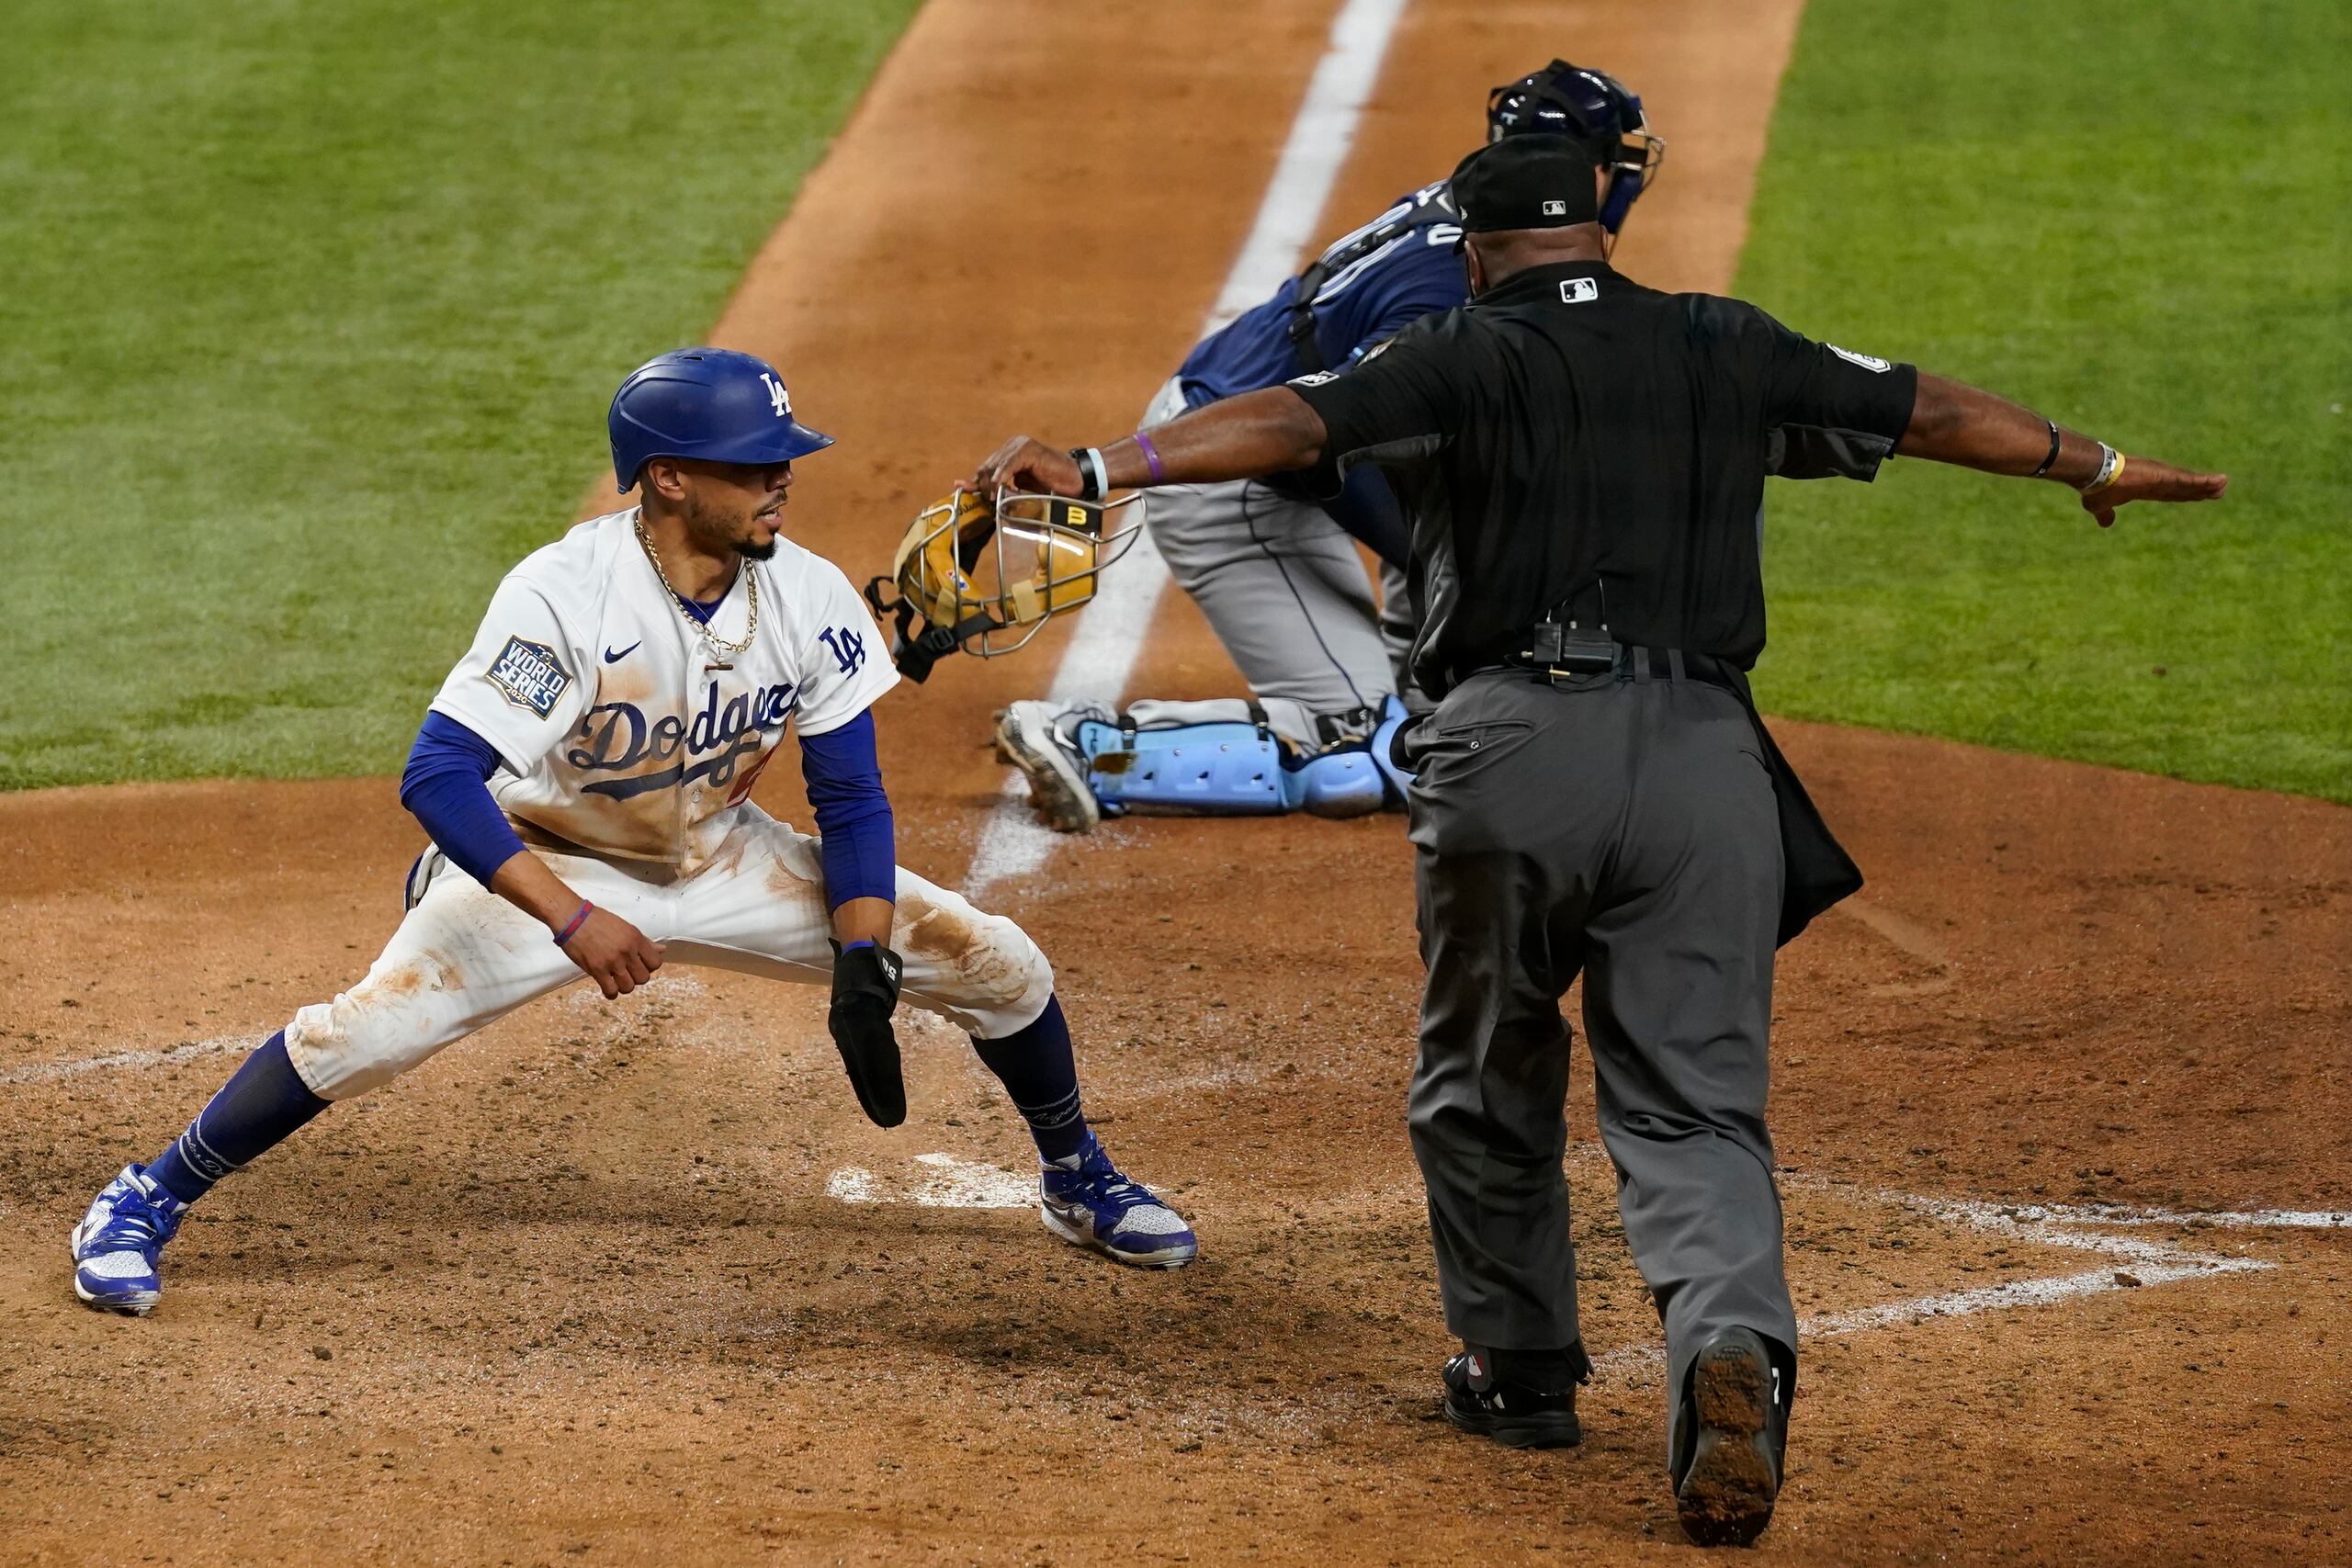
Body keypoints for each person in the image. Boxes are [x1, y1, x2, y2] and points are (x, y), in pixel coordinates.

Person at [968, 137, 2224, 1544]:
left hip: (1512, 758)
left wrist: (1101, 462)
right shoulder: (1723, 342)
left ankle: (1517, 1374)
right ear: (1601, 243)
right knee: (1693, 1103)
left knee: (1488, 1056)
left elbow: (1284, 426)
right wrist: (2092, 462)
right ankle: (1725, 1350)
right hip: (1706, 763)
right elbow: (1927, 409)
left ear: (1476, 250)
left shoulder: (1453, 348)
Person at [69, 348, 1197, 1319]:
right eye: (754, 463)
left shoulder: (803, 598)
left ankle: (1075, 1175)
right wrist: (571, 919)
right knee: (365, 1037)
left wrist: (863, 956)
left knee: (999, 963)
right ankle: (147, 1194)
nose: (781, 481)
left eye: (784, 458)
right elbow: (439, 772)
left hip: (721, 850)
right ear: (666, 478)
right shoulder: (563, 595)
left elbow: (849, 797)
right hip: (553, 856)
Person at [990, 61, 1666, 832]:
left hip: (1289, 450)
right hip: (1234, 469)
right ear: (1585, 173)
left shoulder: (1488, 229)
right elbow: (1312, 435)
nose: (1631, 178)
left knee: (1463, 517)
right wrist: (1444, 559)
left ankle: (1426, 682)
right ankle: (1090, 745)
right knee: (1354, 747)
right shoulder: (1444, 293)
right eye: (1618, 158)